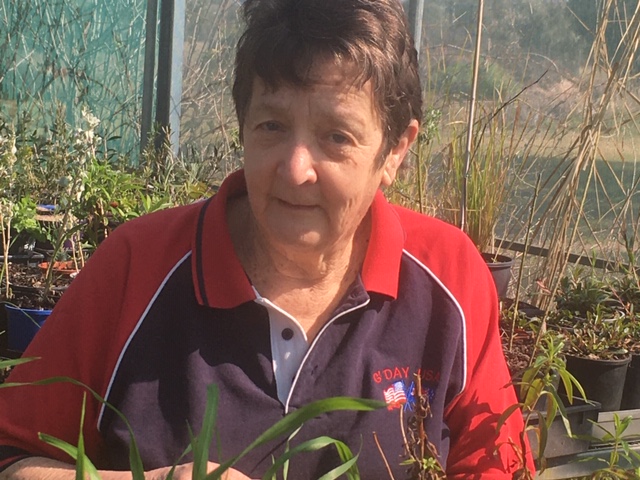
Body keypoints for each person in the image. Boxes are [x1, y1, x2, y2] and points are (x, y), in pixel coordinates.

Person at [0, 0, 534, 478]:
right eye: (272, 126)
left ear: (395, 149)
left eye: (336, 136)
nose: (296, 168)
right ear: (242, 125)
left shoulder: (449, 277)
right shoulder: (138, 264)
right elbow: (12, 452)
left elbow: (498, 464)